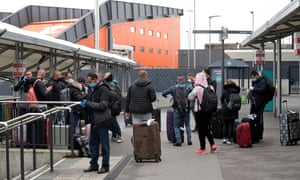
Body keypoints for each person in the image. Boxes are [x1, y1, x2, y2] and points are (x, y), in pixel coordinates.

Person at [82, 72, 112, 174]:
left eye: (90, 81)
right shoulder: (92, 89)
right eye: (88, 81)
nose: (88, 83)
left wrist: (88, 104)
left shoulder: (104, 89)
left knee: (104, 145)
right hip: (94, 120)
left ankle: (105, 166)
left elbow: (103, 105)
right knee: (93, 144)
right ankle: (93, 164)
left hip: (102, 121)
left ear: (96, 80)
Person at [188, 72, 217, 154]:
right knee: (206, 128)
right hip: (209, 110)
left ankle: (202, 148)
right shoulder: (210, 87)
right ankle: (212, 144)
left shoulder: (197, 88)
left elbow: (190, 97)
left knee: (201, 130)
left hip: (200, 111)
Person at [162, 74, 192, 146]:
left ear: (177, 80)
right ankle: (189, 140)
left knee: (176, 126)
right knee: (187, 125)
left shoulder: (173, 88)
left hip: (177, 109)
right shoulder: (189, 87)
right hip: (186, 109)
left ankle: (178, 140)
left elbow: (163, 93)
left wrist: (165, 96)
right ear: (184, 80)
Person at [104, 72, 123, 143]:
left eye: (105, 75)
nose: (104, 76)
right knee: (112, 121)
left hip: (112, 106)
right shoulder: (112, 84)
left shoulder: (112, 85)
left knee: (113, 121)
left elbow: (115, 96)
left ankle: (118, 134)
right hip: (112, 106)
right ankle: (114, 135)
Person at [249, 70, 267, 142]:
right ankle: (253, 132)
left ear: (256, 75)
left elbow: (262, 90)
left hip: (260, 103)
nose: (253, 79)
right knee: (252, 117)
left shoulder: (262, 81)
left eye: (253, 77)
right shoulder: (254, 82)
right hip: (253, 102)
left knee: (259, 119)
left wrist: (254, 89)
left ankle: (259, 135)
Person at [221, 79, 240, 144]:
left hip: (225, 109)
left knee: (225, 124)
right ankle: (229, 139)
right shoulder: (236, 91)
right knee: (231, 125)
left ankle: (224, 138)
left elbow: (221, 99)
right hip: (233, 109)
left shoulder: (225, 91)